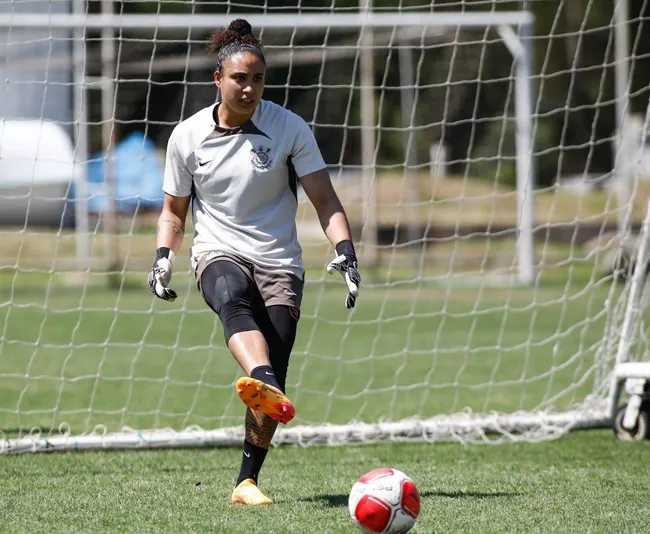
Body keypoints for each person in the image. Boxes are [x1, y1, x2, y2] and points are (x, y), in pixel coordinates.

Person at [148, 18, 361, 506]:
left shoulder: (289, 128)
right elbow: (173, 214)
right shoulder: (187, 137)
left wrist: (344, 250)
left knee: (276, 369)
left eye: (258, 78)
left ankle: (247, 481)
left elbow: (326, 200)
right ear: (218, 80)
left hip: (280, 261)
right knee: (231, 296)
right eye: (240, 78)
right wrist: (164, 257)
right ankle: (260, 380)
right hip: (217, 250)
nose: (250, 87)